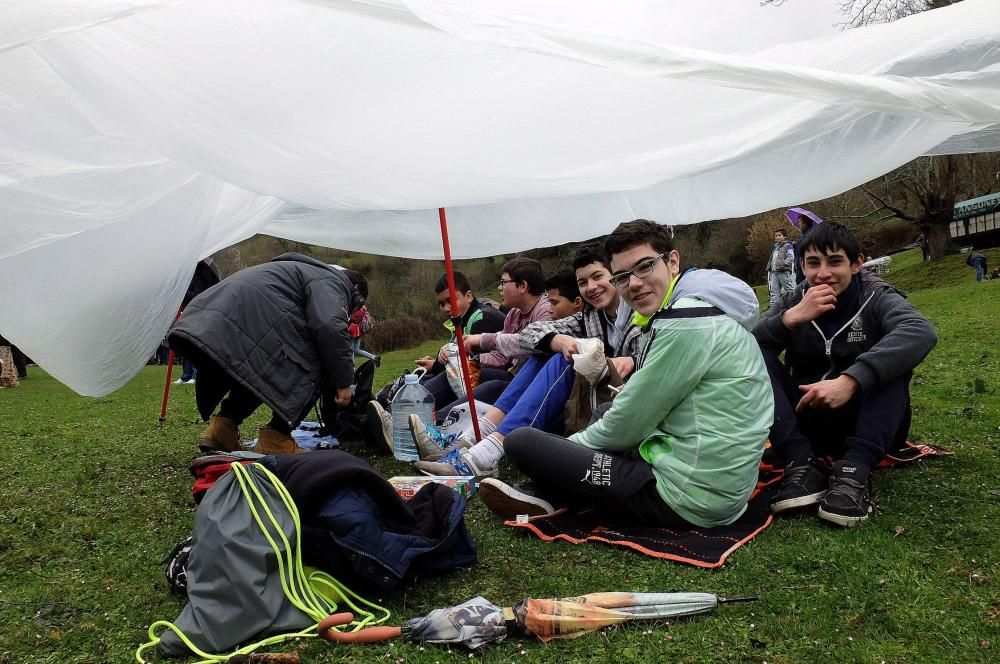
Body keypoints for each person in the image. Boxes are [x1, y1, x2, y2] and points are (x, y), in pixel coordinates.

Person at [477, 220, 773, 529]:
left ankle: (547, 491)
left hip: (687, 496)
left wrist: (565, 453)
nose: (632, 283)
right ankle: (549, 493)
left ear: (672, 261)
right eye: (622, 276)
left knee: (522, 443)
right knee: (602, 409)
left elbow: (628, 424)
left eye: (644, 266)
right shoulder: (699, 305)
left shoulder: (685, 321)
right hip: (715, 479)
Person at [754, 222, 937, 527]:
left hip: (867, 422)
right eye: (813, 263)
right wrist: (789, 319)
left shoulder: (875, 295)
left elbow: (920, 331)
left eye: (835, 261)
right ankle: (801, 463)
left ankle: (854, 471)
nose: (823, 273)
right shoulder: (794, 299)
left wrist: (851, 380)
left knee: (894, 359)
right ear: (801, 266)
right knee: (756, 354)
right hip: (806, 421)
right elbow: (745, 344)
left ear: (857, 263)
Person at [412, 247, 638, 476]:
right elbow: (531, 335)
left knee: (558, 360)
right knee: (547, 349)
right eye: (583, 282)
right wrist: (555, 339)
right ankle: (476, 438)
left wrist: (631, 360)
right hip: (567, 387)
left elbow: (653, 361)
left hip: (619, 398)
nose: (591, 287)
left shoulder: (640, 313)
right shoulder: (587, 317)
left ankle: (485, 450)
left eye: (598, 277)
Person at [168, 252, 361, 455]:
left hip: (209, 318)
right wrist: (343, 381)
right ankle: (276, 437)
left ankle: (222, 429)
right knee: (318, 363)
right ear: (354, 292)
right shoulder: (333, 282)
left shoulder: (299, 271)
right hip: (241, 321)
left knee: (258, 371)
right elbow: (329, 326)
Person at [366, 271, 506, 451]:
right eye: (441, 304)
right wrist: (438, 361)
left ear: (469, 296)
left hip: (493, 381)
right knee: (428, 379)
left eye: (450, 301)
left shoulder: (483, 318)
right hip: (469, 378)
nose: (447, 308)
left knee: (454, 375)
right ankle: (394, 417)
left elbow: (477, 364)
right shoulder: (462, 319)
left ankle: (407, 423)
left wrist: (445, 362)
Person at [174, 259, 224, 385]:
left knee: (196, 344)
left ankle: (195, 374)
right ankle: (186, 375)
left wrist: (181, 292)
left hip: (199, 313)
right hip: (188, 313)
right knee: (187, 344)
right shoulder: (189, 277)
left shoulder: (201, 277)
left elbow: (197, 296)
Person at [344, 269, 379, 364]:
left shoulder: (357, 306)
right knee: (356, 349)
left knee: (351, 350)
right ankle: (374, 357)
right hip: (359, 329)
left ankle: (352, 366)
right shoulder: (363, 306)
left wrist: (349, 316)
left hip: (353, 329)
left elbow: (354, 317)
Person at [767, 229, 796, 304]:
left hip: (783, 271)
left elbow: (791, 257)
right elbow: (772, 259)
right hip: (774, 272)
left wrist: (783, 264)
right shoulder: (775, 247)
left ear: (785, 236)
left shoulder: (788, 246)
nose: (777, 237)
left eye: (779, 235)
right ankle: (773, 308)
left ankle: (795, 302)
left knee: (789, 288)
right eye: (776, 236)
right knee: (774, 291)